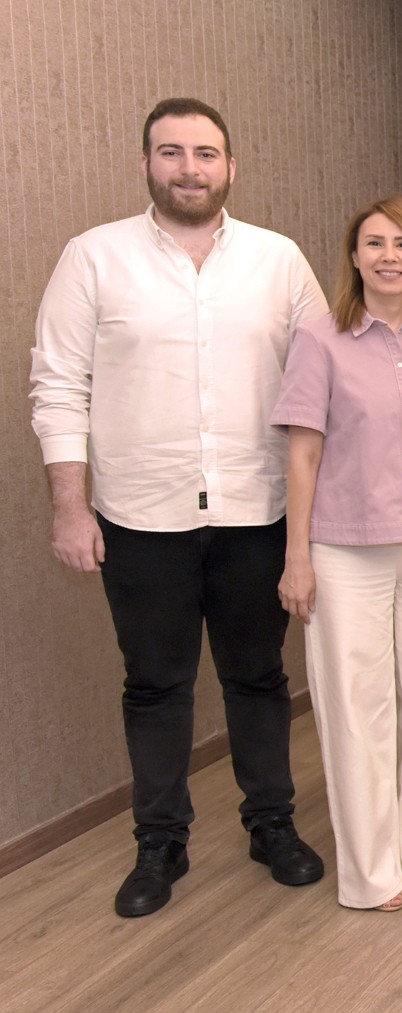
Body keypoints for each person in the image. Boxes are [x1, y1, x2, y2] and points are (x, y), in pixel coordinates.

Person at [29, 98, 328, 918]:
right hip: (140, 517)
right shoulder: (94, 258)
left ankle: (272, 824)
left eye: (205, 153)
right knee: (156, 685)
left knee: (257, 677)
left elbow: (319, 387)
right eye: (171, 152)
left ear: (232, 166)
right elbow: (58, 385)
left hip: (255, 512)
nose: (189, 169)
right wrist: (70, 507)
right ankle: (160, 840)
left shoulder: (278, 261)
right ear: (146, 163)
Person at [271, 197, 402, 911]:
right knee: (356, 705)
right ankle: (370, 869)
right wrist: (296, 556)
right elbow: (303, 455)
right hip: (344, 546)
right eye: (374, 243)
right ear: (354, 258)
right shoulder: (318, 339)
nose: (389, 255)